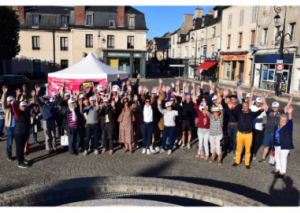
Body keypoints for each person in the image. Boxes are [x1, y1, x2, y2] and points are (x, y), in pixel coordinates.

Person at [228, 101, 267, 169]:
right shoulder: (239, 113)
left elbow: (258, 113)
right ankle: (237, 161)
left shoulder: (252, 114)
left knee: (248, 149)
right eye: (243, 106)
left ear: (248, 106)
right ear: (242, 107)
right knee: (238, 149)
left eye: (246, 106)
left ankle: (247, 163)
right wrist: (230, 108)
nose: (245, 107)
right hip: (240, 133)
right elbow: (233, 113)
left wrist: (262, 109)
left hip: (248, 134)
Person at [259, 94, 294, 163]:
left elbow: (287, 107)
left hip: (276, 133)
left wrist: (291, 98)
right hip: (267, 132)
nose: (274, 108)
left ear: (278, 107)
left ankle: (272, 160)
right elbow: (265, 105)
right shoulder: (269, 111)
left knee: (274, 147)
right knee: (266, 146)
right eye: (273, 107)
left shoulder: (281, 112)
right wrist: (263, 97)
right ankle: (263, 158)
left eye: (276, 107)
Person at [35, 85, 61, 154]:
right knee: (47, 136)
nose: (45, 100)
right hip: (45, 122)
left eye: (46, 99)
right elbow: (37, 100)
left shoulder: (52, 104)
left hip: (52, 121)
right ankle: (48, 148)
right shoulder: (42, 105)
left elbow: (57, 100)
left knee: (53, 135)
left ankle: (54, 147)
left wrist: (58, 93)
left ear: (48, 99)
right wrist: (37, 92)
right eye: (44, 99)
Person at [272, 106, 294, 178]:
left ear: (286, 121)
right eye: (281, 120)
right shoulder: (277, 126)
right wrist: (273, 145)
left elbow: (290, 121)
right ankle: (277, 169)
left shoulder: (288, 127)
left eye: (284, 120)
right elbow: (274, 136)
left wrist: (289, 113)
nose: (282, 121)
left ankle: (282, 172)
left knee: (283, 158)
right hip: (276, 145)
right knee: (277, 157)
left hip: (284, 146)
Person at [11, 100, 31, 168]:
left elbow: (31, 106)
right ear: (20, 107)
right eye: (22, 106)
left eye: (25, 106)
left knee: (22, 147)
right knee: (19, 148)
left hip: (25, 133)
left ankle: (21, 158)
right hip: (18, 133)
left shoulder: (27, 112)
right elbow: (14, 109)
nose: (24, 107)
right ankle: (20, 162)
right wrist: (13, 104)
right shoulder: (18, 113)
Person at [139, 90, 157, 154]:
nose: (148, 102)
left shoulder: (151, 106)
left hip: (150, 124)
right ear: (145, 102)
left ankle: (148, 148)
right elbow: (139, 98)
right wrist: (142, 92)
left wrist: (156, 94)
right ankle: (144, 148)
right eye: (146, 101)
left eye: (149, 101)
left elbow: (156, 100)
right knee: (144, 136)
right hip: (143, 124)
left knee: (149, 136)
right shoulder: (143, 105)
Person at [193, 96, 210, 160]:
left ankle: (207, 154)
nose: (203, 111)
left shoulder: (209, 115)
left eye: (205, 109)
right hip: (200, 129)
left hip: (207, 130)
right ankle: (199, 152)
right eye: (203, 109)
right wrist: (195, 100)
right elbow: (196, 106)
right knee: (200, 142)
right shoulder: (200, 113)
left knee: (205, 142)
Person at [2, 86, 16, 161]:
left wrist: (23, 93)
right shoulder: (6, 108)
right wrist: (4, 93)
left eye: (12, 100)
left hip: (16, 126)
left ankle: (20, 152)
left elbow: (20, 101)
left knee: (18, 140)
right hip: (9, 127)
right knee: (10, 141)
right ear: (8, 101)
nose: (11, 101)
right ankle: (9, 155)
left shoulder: (14, 107)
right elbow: (3, 103)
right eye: (10, 100)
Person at [180, 82, 194, 149]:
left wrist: (193, 87)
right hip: (184, 120)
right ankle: (183, 143)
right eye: (187, 98)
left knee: (189, 133)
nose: (188, 99)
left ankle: (188, 143)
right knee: (183, 133)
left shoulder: (192, 103)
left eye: (189, 98)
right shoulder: (184, 102)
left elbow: (194, 95)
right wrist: (183, 87)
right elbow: (183, 95)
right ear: (186, 98)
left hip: (190, 120)